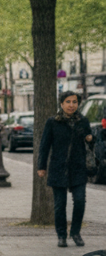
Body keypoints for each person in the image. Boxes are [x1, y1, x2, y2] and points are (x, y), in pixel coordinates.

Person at [37, 91, 94, 247]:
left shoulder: (83, 121)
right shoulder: (52, 122)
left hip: (78, 168)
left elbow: (91, 144)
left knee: (80, 201)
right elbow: (44, 145)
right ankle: (61, 235)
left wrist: (90, 139)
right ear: (61, 104)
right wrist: (41, 166)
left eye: (74, 102)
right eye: (68, 102)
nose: (71, 105)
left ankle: (75, 233)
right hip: (58, 168)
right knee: (60, 205)